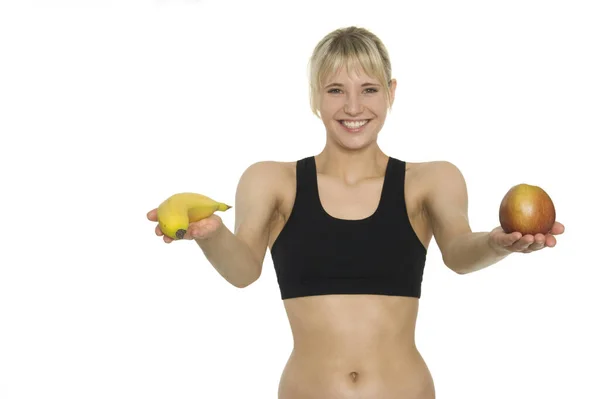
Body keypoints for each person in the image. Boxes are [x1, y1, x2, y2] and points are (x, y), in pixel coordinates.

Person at [146, 26, 564, 399]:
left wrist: (497, 244)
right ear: (315, 96)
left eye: (369, 89)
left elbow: (458, 251)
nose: (352, 107)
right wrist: (211, 234)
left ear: (391, 92)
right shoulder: (272, 181)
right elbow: (243, 271)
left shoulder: (431, 180)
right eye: (334, 90)